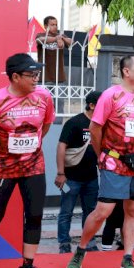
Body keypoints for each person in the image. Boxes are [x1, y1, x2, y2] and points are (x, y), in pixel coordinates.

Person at [68, 55, 134, 268]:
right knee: (103, 211)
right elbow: (95, 128)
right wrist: (102, 155)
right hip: (113, 162)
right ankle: (81, 249)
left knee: (133, 210)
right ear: (126, 71)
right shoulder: (111, 95)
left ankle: (127, 257)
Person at [0, 54, 56, 268]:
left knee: (34, 215)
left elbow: (46, 126)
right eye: (31, 75)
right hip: (2, 168)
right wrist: (5, 151)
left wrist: (29, 148)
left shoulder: (44, 97)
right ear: (15, 76)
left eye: (37, 74)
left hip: (34, 166)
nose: (36, 79)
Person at [55, 91, 103, 254]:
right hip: (71, 178)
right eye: (102, 104)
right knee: (66, 212)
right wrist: (60, 173)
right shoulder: (74, 122)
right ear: (92, 105)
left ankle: (88, 242)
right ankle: (64, 243)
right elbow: (61, 147)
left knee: (91, 212)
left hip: (92, 178)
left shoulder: (101, 124)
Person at [36, 16, 73, 84]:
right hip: (44, 75)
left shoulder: (61, 36)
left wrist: (62, 38)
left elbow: (72, 42)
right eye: (52, 25)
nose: (55, 27)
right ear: (45, 26)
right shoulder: (40, 35)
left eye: (56, 25)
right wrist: (56, 39)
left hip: (59, 76)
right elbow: (40, 40)